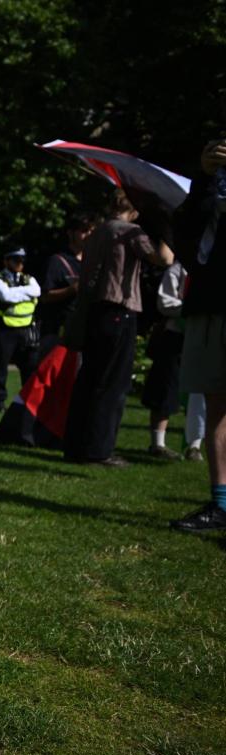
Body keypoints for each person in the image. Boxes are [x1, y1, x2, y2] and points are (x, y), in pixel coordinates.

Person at [64, 190, 173, 466]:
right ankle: (99, 449)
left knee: (89, 379)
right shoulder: (130, 231)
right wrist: (163, 226)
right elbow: (164, 259)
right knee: (112, 383)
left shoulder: (98, 231)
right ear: (134, 209)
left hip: (94, 311)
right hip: (119, 310)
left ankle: (76, 445)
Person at [169, 137, 226, 531]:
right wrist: (205, 178)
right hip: (213, 303)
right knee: (216, 405)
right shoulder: (210, 182)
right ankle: (221, 504)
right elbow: (185, 232)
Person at [0, 246, 41, 410]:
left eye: (22, 260)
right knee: (0, 367)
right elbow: (5, 296)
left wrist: (15, 292)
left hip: (27, 330)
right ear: (6, 261)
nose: (20, 263)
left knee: (30, 367)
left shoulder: (29, 278)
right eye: (16, 260)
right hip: (4, 329)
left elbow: (36, 291)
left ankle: (27, 400)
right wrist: (25, 293)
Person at [141, 260, 187, 460]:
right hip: (175, 336)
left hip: (200, 335)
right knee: (165, 389)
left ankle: (194, 445)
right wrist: (192, 307)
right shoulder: (178, 269)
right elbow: (165, 302)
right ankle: (157, 443)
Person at [36, 213, 96, 355]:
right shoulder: (57, 262)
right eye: (83, 231)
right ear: (70, 233)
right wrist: (71, 290)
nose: (88, 235)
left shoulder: (94, 262)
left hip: (85, 330)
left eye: (91, 231)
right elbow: (44, 296)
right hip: (57, 332)